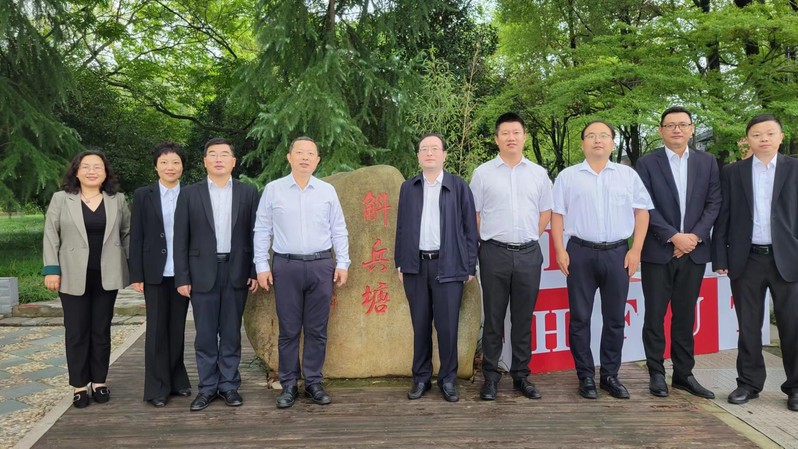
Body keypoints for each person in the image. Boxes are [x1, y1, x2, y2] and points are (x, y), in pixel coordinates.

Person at [550, 120, 653, 400]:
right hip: (580, 253)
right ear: (583, 142)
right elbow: (557, 215)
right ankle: (585, 376)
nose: (598, 140)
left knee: (615, 319)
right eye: (592, 136)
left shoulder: (627, 175)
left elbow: (642, 212)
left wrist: (636, 250)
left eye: (604, 135)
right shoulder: (568, 176)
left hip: (618, 254)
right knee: (580, 318)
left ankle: (610, 375)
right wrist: (560, 250)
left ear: (612, 142)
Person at [254, 136, 350, 409]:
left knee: (317, 329)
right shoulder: (273, 190)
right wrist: (262, 265)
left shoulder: (327, 191)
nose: (305, 157)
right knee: (289, 329)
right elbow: (262, 229)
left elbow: (338, 228)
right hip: (286, 266)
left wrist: (343, 262)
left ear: (317, 160)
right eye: (300, 153)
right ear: (290, 157)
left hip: (321, 265)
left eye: (310, 154)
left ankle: (313, 382)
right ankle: (288, 384)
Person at [712, 114, 798, 412]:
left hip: (788, 258)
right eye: (757, 134)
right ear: (747, 139)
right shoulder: (732, 172)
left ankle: (795, 387)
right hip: (746, 258)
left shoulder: (794, 168)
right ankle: (748, 383)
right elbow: (723, 216)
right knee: (748, 325)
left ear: (781, 137)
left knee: (793, 325)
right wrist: (720, 256)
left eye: (770, 133)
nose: (764, 138)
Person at [636, 107, 721, 399]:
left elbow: (714, 203)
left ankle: (684, 375)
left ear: (692, 129)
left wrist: (693, 238)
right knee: (655, 316)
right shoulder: (647, 163)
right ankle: (656, 373)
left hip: (693, 252)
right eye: (670, 125)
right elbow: (644, 205)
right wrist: (673, 237)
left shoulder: (708, 162)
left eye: (683, 124)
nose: (677, 130)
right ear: (661, 131)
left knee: (685, 316)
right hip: (658, 252)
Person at [470, 113, 552, 401]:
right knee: (493, 319)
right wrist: (491, 238)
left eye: (516, 132)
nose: (511, 137)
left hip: (529, 254)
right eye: (505, 133)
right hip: (494, 253)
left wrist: (529, 235)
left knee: (522, 319)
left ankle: (521, 376)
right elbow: (475, 214)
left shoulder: (538, 174)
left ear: (524, 136)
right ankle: (491, 377)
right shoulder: (483, 174)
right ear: (497, 139)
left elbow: (546, 212)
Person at [173, 137, 259, 412]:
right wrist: (182, 277)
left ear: (233, 161)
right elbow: (180, 238)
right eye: (213, 154)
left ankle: (229, 386)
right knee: (206, 335)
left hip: (237, 270)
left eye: (224, 154)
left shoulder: (248, 192)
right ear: (205, 162)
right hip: (201, 273)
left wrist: (254, 269)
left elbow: (256, 233)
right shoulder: (189, 194)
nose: (218, 159)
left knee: (231, 333)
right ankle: (207, 388)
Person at [42, 150, 130, 408]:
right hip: (71, 274)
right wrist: (51, 269)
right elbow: (51, 234)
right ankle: (80, 385)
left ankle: (99, 382)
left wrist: (135, 270)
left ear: (105, 172)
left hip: (107, 275)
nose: (92, 171)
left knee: (101, 330)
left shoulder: (117, 200)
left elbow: (127, 234)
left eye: (98, 167)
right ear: (77, 171)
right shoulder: (61, 199)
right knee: (77, 331)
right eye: (86, 167)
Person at [394, 133, 478, 402]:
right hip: (416, 267)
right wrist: (400, 263)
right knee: (420, 325)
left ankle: (448, 379)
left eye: (434, 148)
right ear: (418, 156)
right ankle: (421, 378)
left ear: (444, 155)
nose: (429, 153)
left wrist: (469, 266)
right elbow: (401, 227)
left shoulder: (458, 186)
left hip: (449, 266)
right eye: (424, 149)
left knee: (447, 327)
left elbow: (469, 229)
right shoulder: (409, 188)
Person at [129, 142, 192, 407]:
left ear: (182, 166)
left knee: (177, 328)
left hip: (183, 273)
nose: (170, 167)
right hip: (154, 271)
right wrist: (136, 273)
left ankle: (177, 380)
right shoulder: (143, 195)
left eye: (175, 162)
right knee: (156, 330)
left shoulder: (191, 194)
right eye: (164, 162)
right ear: (156, 166)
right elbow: (136, 235)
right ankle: (157, 387)